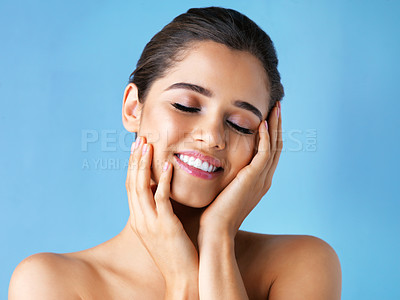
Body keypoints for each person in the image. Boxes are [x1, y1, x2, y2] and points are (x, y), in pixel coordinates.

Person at [9, 6, 341, 299]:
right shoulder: (49, 283)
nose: (212, 137)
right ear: (132, 109)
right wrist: (182, 280)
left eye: (241, 124)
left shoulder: (301, 263)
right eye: (185, 105)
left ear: (265, 142)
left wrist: (217, 241)